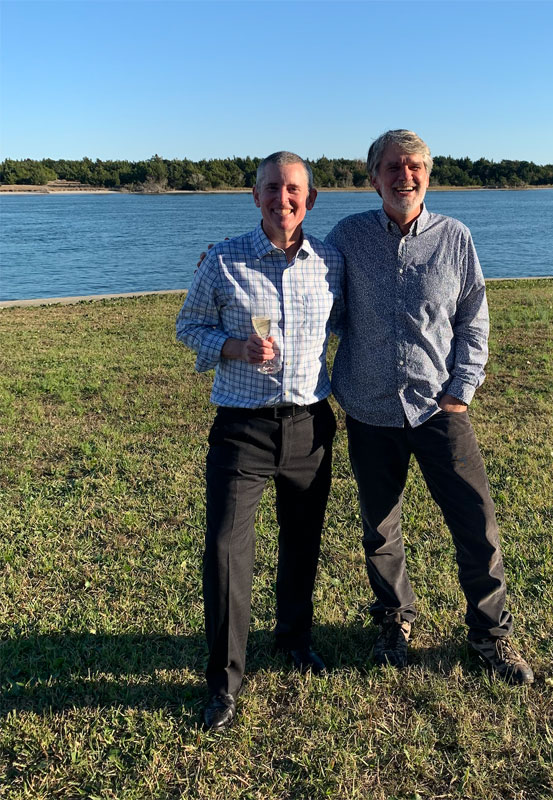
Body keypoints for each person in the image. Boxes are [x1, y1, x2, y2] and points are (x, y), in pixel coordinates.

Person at [325, 130, 533, 683]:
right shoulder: (346, 238)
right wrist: (235, 264)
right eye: (391, 166)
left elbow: (474, 317)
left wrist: (461, 391)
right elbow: (307, 288)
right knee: (379, 528)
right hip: (369, 410)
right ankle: (395, 619)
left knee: (475, 524)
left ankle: (490, 636)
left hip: (439, 409)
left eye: (414, 165)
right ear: (373, 178)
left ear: (428, 174)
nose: (404, 175)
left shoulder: (455, 237)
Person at [176, 151, 344, 731]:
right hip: (241, 428)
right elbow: (187, 325)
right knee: (225, 550)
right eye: (272, 188)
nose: (283, 199)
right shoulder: (223, 259)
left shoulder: (331, 260)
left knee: (302, 542)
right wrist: (231, 347)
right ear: (255, 196)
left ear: (311, 198)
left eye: (294, 189)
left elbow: (351, 317)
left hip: (310, 425)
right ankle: (224, 683)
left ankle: (294, 639)